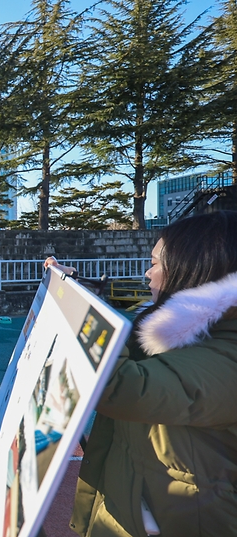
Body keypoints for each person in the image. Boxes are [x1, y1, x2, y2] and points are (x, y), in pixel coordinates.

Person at [44, 211, 237, 537]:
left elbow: (117, 386)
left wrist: (72, 304)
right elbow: (128, 342)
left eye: (156, 263)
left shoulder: (226, 355)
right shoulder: (190, 332)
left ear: (195, 271)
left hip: (177, 520)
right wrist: (70, 289)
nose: (148, 274)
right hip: (138, 506)